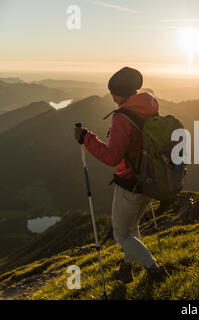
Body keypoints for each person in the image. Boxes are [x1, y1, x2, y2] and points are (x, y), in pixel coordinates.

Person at [74, 67, 168, 284]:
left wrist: (86, 138)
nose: (111, 96)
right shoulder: (149, 107)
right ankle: (126, 269)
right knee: (132, 228)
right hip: (150, 180)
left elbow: (112, 157)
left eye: (112, 92)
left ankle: (154, 271)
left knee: (122, 235)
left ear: (118, 92)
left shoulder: (122, 117)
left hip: (130, 184)